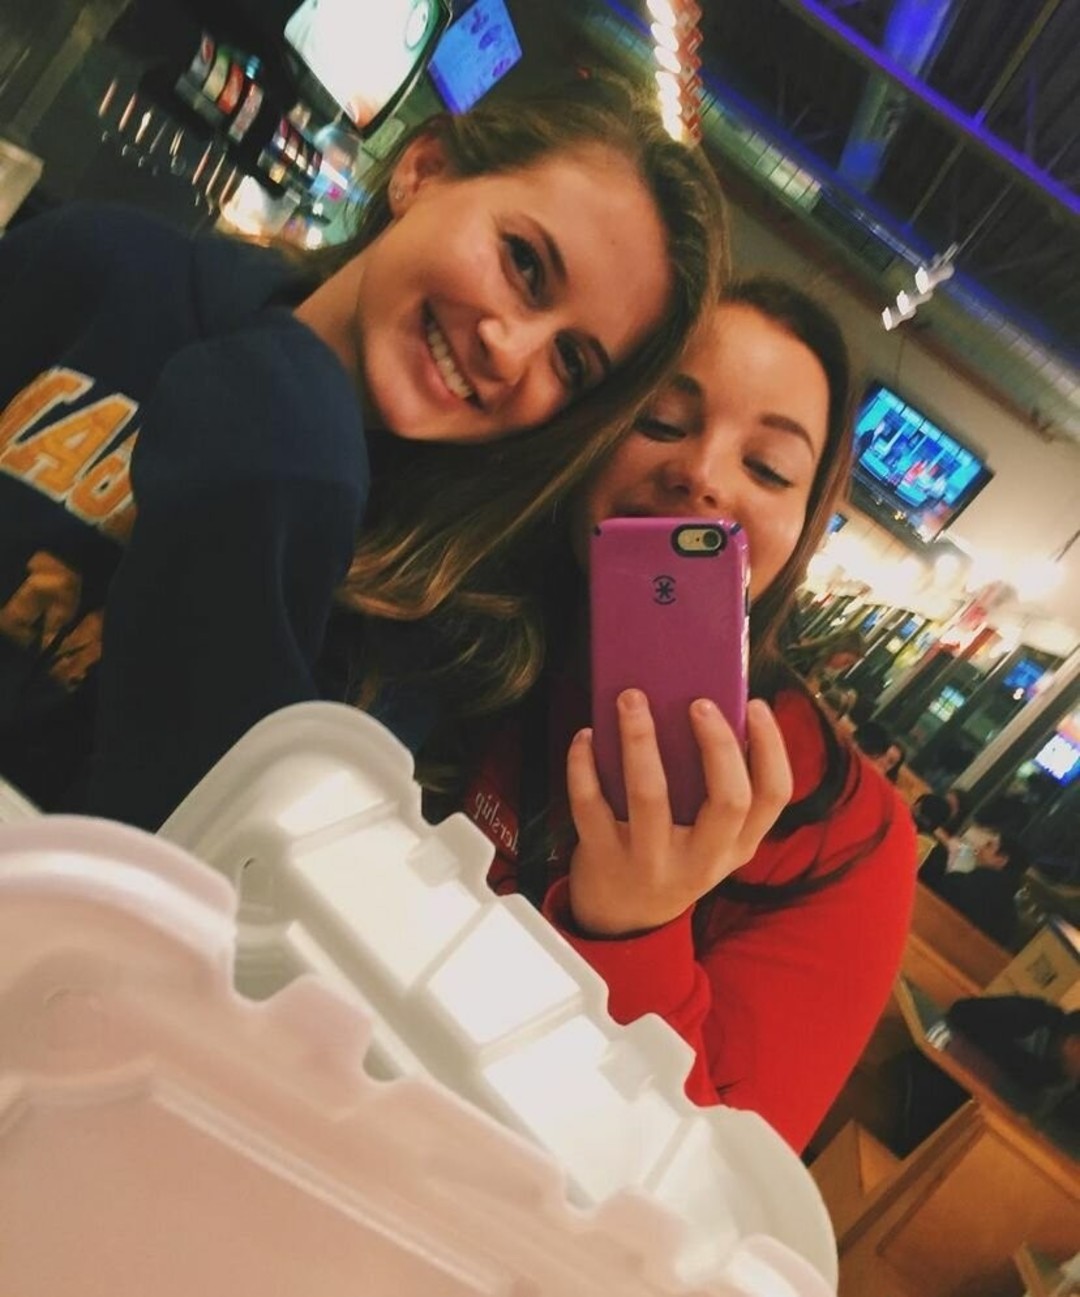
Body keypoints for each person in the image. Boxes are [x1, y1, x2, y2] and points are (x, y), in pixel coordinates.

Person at [0, 77, 724, 830]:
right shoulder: (108, 269)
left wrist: (289, 450)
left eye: (571, 361)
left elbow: (194, 843)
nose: (510, 352)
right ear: (424, 171)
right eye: (525, 263)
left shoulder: (430, 625)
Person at [447, 277, 917, 1153]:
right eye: (662, 418)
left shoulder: (846, 832)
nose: (701, 474)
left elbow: (709, 1177)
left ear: (802, 530)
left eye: (768, 468)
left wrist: (633, 926)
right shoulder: (465, 611)